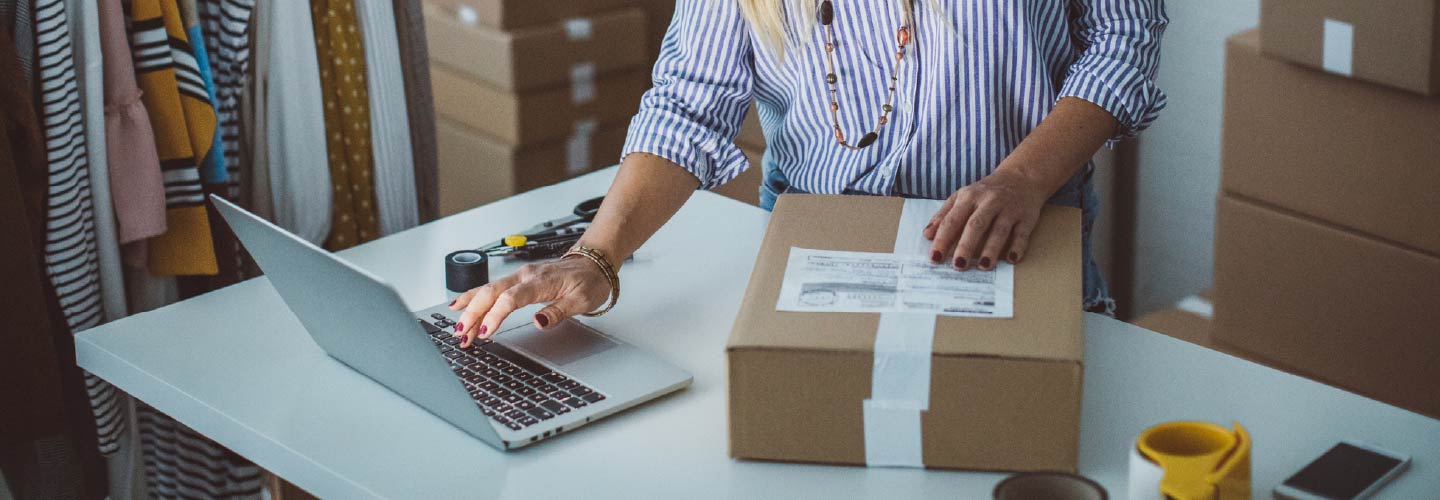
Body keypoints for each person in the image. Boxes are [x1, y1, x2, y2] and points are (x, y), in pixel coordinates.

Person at [450, 0, 1167, 347]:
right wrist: (595, 257)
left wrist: (1022, 178)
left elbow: (1123, 38)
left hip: (1017, 246)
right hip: (817, 256)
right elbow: (688, 104)